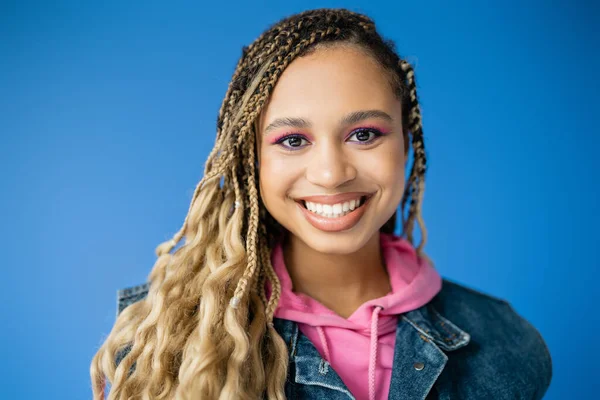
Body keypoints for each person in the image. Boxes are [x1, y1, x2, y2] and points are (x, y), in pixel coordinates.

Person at [90, 8, 552, 400]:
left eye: (364, 134)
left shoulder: (506, 344)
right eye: (293, 140)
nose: (331, 174)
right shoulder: (161, 339)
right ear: (251, 160)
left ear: (406, 143)